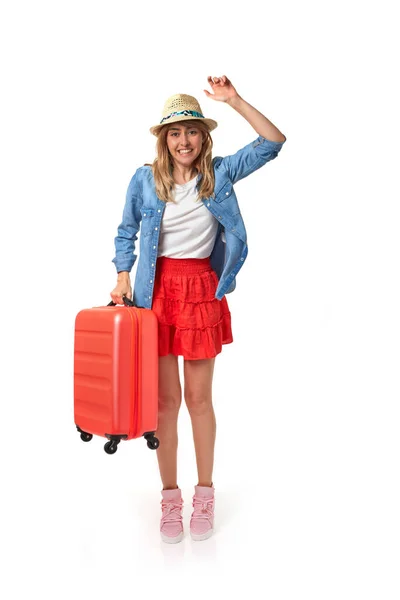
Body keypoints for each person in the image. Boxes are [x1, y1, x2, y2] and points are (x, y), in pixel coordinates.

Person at [110, 75, 286, 544]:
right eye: (175, 132)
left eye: (191, 131)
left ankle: (205, 494)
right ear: (164, 140)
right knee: (164, 403)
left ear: (203, 137)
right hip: (155, 293)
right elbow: (126, 231)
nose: (183, 140)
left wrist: (234, 100)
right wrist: (123, 276)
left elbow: (273, 142)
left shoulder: (220, 174)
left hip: (201, 291)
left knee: (199, 400)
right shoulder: (144, 180)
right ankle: (170, 499)